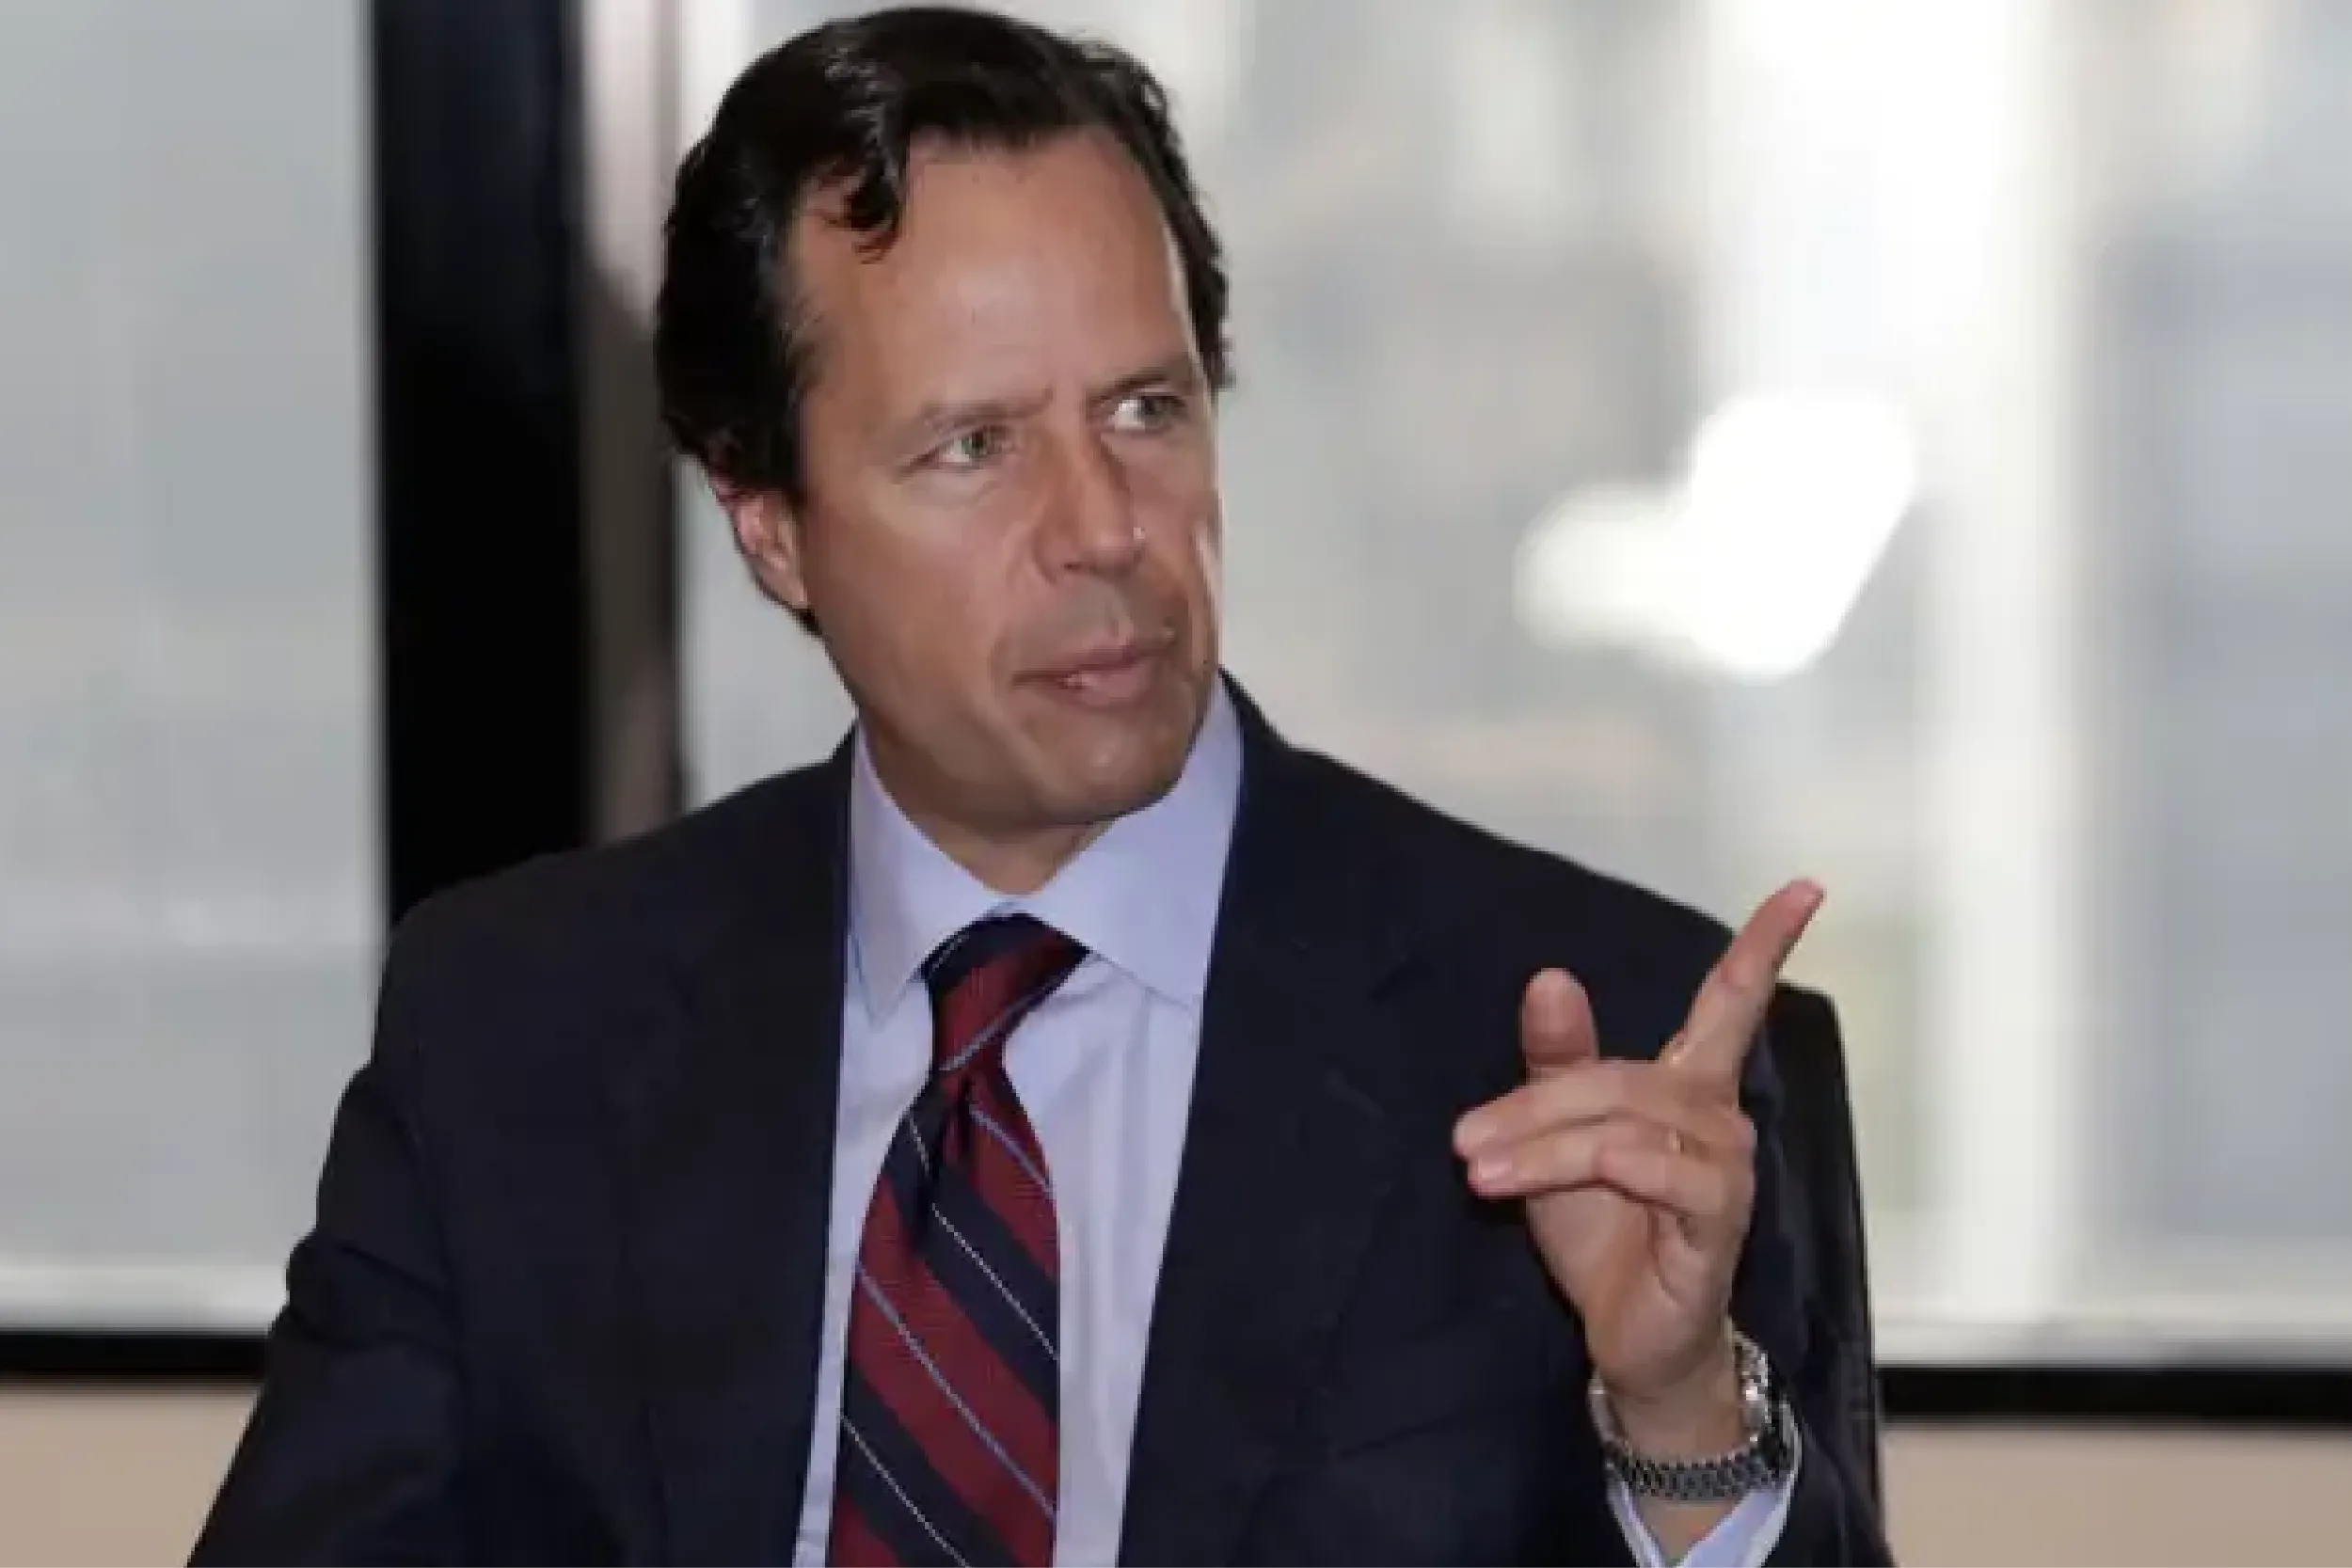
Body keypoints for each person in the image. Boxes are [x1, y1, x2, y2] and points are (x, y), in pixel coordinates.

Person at [190, 8, 1893, 1565]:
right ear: (767, 520)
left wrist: (1679, 1426)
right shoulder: (521, 1030)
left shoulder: (1634, 1051)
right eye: (975, 447)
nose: (1101, 528)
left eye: (1147, 410)